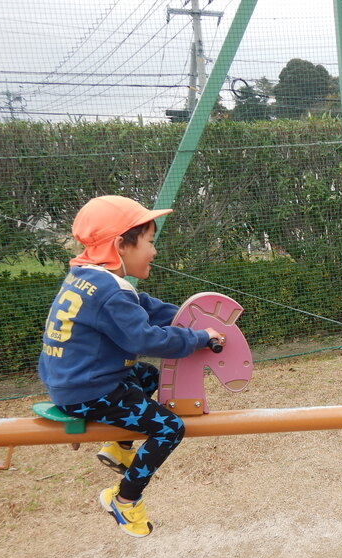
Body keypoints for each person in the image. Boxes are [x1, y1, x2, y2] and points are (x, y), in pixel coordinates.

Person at [38, 196, 223, 537]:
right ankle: (124, 499)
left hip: (73, 382)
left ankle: (119, 448)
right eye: (150, 242)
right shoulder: (110, 293)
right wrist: (197, 338)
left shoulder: (89, 279)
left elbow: (149, 308)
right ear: (120, 245)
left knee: (148, 375)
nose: (154, 251)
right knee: (169, 428)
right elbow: (146, 339)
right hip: (91, 391)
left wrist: (195, 319)